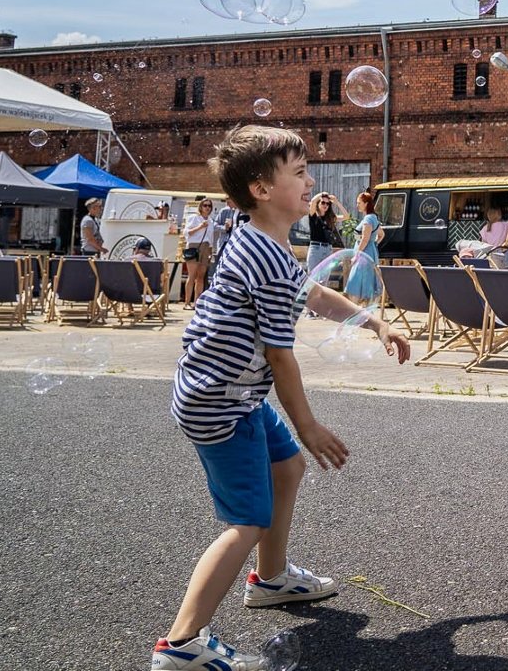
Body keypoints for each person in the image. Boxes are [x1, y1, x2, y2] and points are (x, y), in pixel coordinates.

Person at [154, 125, 409, 670]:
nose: (310, 181)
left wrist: (373, 321)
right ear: (262, 189)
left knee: (286, 469)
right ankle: (182, 645)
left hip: (229, 391)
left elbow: (313, 292)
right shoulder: (266, 259)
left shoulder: (264, 243)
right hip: (222, 399)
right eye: (298, 172)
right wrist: (310, 425)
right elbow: (280, 356)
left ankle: (271, 581)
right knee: (246, 520)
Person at [345, 190, 381, 303]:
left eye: (359, 203)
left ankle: (355, 311)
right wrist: (374, 244)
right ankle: (363, 311)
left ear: (366, 204)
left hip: (363, 254)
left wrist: (356, 255)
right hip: (370, 252)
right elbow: (381, 235)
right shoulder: (373, 218)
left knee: (355, 283)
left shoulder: (368, 219)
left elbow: (365, 239)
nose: (357, 205)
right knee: (365, 283)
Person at [182, 197, 216, 307]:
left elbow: (210, 238)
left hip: (206, 247)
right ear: (200, 207)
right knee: (191, 276)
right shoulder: (194, 218)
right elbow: (187, 232)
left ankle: (197, 302)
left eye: (209, 206)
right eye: (205, 205)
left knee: (201, 276)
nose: (207, 208)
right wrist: (200, 227)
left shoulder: (211, 221)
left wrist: (210, 251)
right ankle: (187, 302)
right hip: (194, 246)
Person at [304, 194, 344, 274]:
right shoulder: (313, 215)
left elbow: (346, 217)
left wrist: (337, 203)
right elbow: (312, 201)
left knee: (324, 279)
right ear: (318, 203)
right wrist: (322, 194)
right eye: (323, 203)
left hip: (328, 250)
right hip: (315, 249)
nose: (325, 205)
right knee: (313, 278)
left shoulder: (330, 218)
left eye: (327, 203)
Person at [480, 205, 508, 269]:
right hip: (504, 254)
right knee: (506, 277)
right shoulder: (506, 224)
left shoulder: (484, 229)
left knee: (493, 277)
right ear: (499, 214)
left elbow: (483, 245)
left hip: (491, 256)